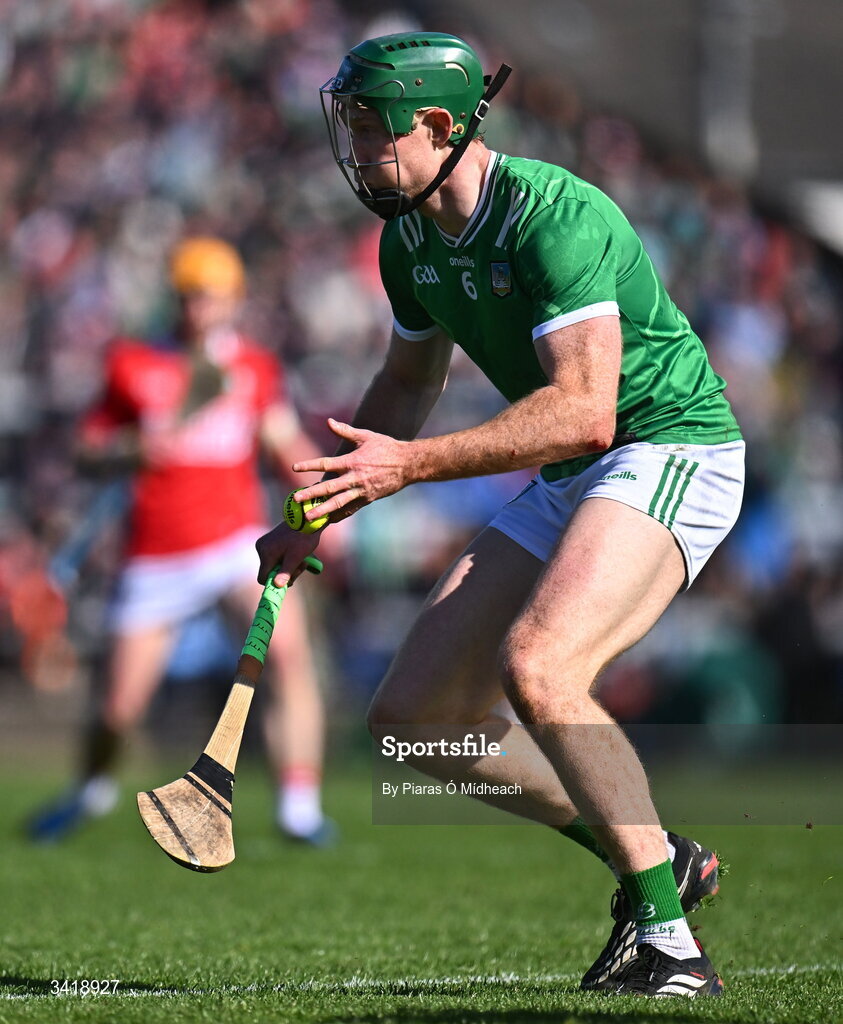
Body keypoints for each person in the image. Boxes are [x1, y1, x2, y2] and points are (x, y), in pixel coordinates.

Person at [256, 32, 743, 995]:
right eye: (349, 129)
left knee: (541, 665)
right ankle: (652, 858)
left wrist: (412, 470)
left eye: (371, 131)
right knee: (414, 719)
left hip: (667, 446)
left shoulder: (552, 216)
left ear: (439, 126)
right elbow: (403, 386)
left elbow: (585, 407)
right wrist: (319, 511)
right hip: (575, 472)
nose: (355, 152)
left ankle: (671, 951)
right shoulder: (410, 240)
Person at [31, 237, 335, 846]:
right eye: (191, 297)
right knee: (118, 710)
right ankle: (90, 788)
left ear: (233, 301)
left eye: (212, 298)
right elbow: (88, 450)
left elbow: (284, 447)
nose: (200, 309)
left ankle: (299, 806)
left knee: (288, 659)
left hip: (233, 545)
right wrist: (130, 449)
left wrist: (326, 499)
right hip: (156, 557)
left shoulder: (251, 368)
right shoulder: (134, 363)